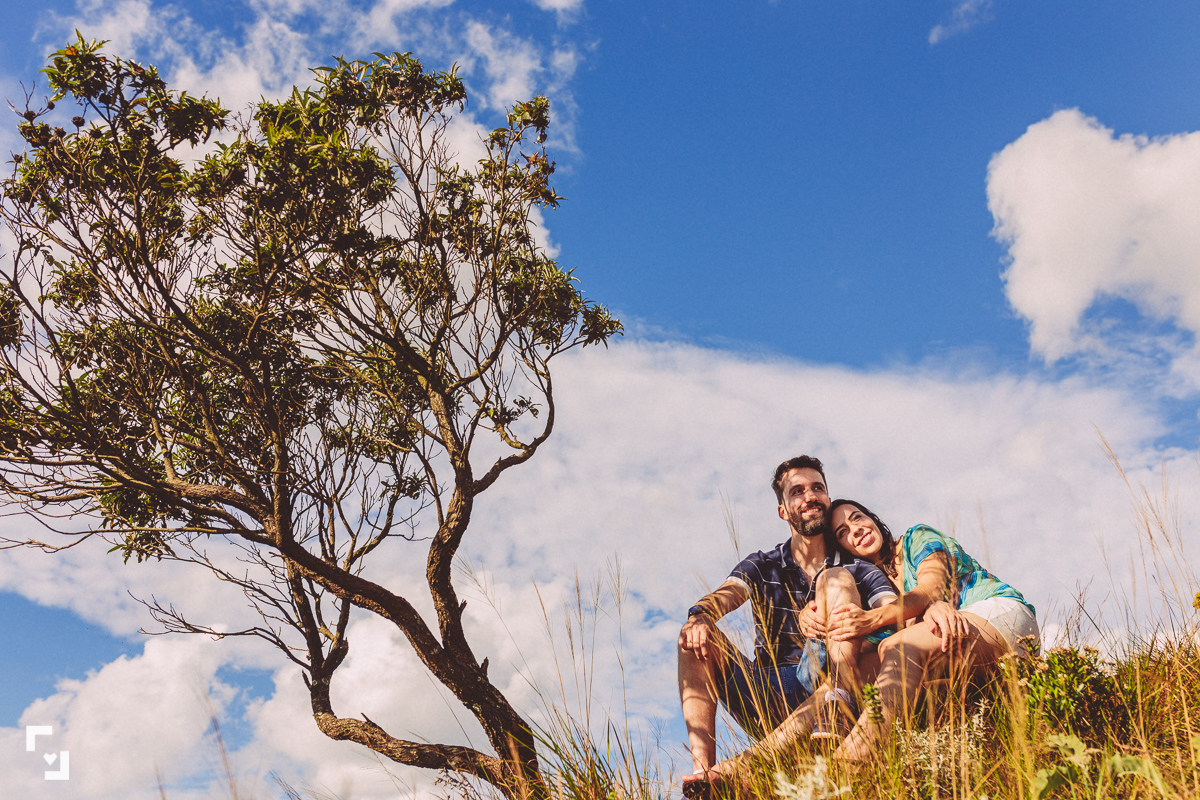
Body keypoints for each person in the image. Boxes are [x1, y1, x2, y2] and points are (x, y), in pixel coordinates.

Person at [676, 457, 898, 793]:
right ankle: (704, 778)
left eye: (818, 488)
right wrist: (700, 616)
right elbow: (728, 594)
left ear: (827, 498)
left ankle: (834, 703)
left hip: (828, 680)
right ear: (783, 510)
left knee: (835, 578)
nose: (810, 496)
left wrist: (855, 625)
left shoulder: (857, 568)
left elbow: (893, 613)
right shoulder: (764, 564)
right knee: (693, 638)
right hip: (765, 692)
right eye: (798, 491)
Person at [822, 498, 1040, 759]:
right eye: (843, 532)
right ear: (843, 549)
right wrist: (811, 620)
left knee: (898, 647)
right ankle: (780, 753)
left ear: (872, 519)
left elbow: (931, 588)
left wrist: (876, 618)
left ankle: (851, 759)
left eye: (857, 518)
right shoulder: (878, 591)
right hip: (954, 645)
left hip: (999, 617)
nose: (854, 529)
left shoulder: (916, 538)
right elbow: (865, 646)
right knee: (855, 675)